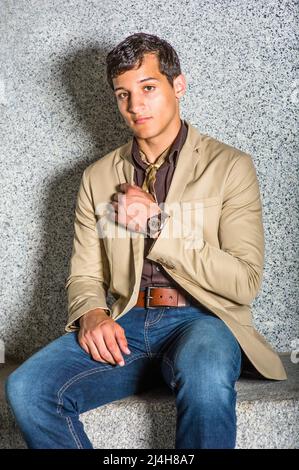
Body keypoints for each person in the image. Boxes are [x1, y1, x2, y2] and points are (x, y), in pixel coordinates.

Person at [5, 32, 287, 450]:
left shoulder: (230, 167)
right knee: (27, 388)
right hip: (127, 321)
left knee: (206, 374)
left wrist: (158, 225)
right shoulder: (98, 178)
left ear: (178, 86)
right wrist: (92, 314)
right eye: (123, 95)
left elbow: (245, 282)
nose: (135, 106)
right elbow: (84, 274)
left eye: (148, 88)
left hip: (205, 319)